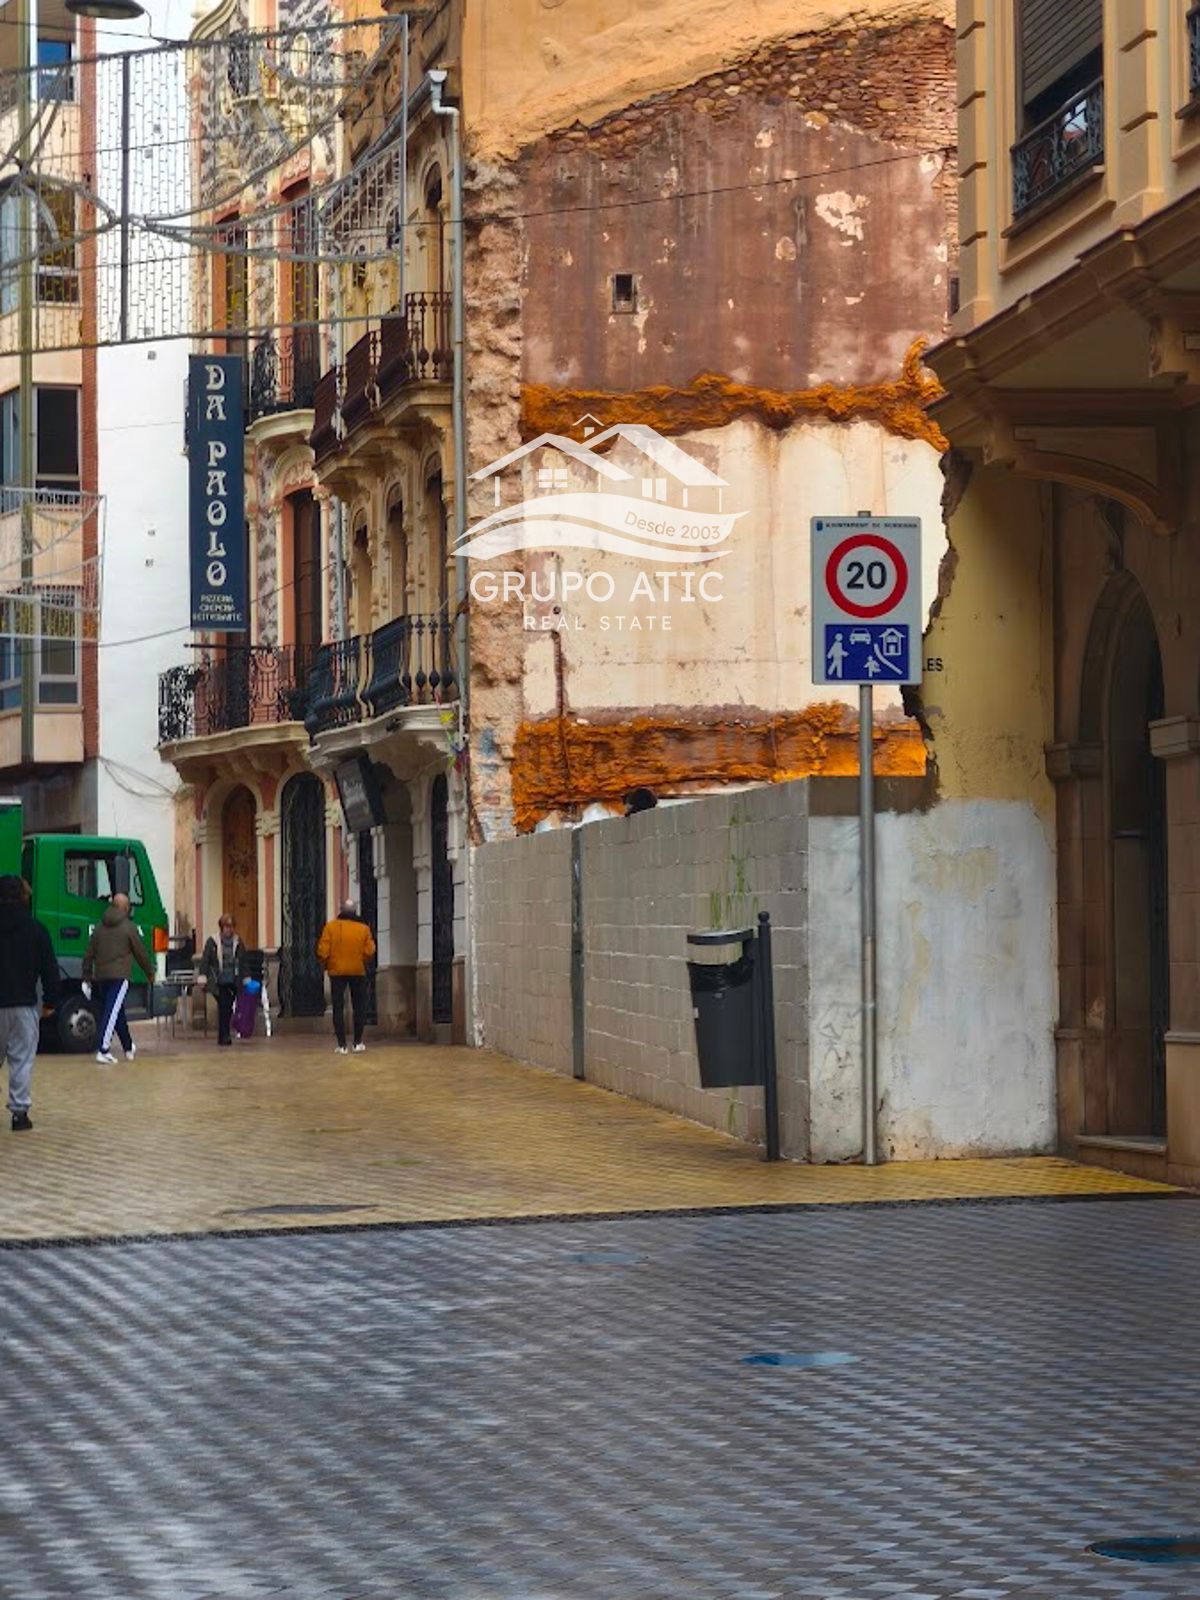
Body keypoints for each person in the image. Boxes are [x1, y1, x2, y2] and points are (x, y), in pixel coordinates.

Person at [0, 875, 60, 1131]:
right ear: (25, 896)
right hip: (23, 1005)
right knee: (22, 1060)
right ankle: (19, 1113)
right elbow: (49, 969)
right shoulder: (36, 929)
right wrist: (50, 1001)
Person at [82, 891, 155, 1066]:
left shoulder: (99, 926)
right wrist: (149, 972)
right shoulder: (128, 926)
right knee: (111, 1012)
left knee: (117, 1012)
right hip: (120, 975)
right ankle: (103, 1049)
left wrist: (87, 976)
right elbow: (140, 952)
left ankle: (128, 1047)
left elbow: (89, 953)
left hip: (101, 976)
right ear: (124, 908)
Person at [316, 899, 376, 1055]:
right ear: (355, 911)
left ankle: (342, 1045)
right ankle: (357, 1042)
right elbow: (370, 950)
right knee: (359, 1007)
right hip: (357, 971)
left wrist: (327, 963)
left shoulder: (331, 927)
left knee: (338, 1008)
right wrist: (361, 959)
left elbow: (323, 951)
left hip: (337, 972)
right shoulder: (363, 929)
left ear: (341, 909)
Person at [200, 913, 251, 1047]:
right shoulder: (213, 942)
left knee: (227, 1008)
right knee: (224, 1006)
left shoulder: (238, 942)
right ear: (222, 927)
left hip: (233, 980)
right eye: (227, 926)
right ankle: (224, 1036)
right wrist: (203, 976)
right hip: (219, 981)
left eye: (232, 926)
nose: (229, 929)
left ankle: (223, 1035)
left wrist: (246, 978)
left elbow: (243, 961)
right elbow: (205, 960)